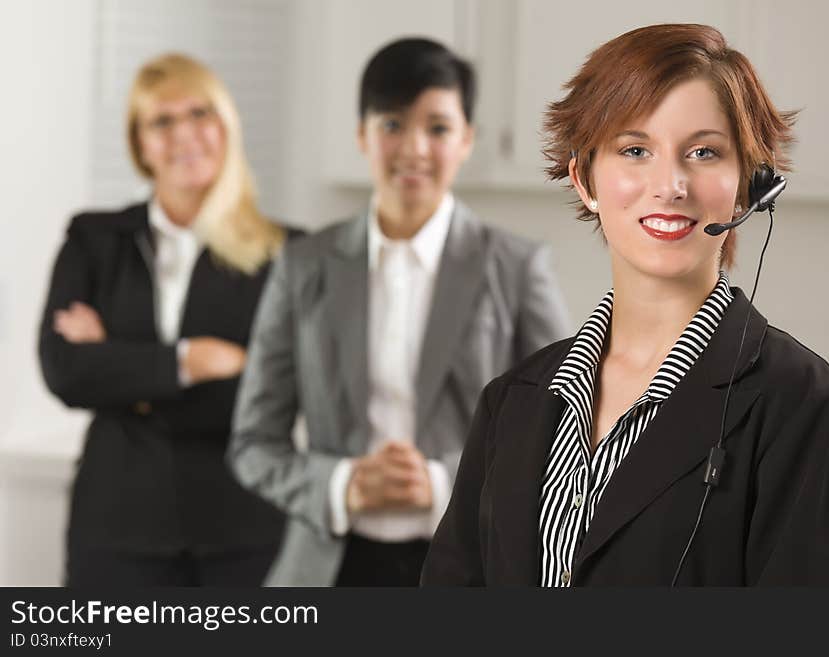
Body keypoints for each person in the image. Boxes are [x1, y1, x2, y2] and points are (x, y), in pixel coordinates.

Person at [421, 23, 829, 586]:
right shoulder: (513, 402)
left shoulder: (803, 405)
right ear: (585, 179)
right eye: (635, 150)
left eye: (704, 152)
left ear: (748, 185)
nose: (671, 184)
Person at [228, 37, 570, 586]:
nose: (413, 148)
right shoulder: (302, 267)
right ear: (362, 135)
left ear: (466, 140)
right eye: (392, 124)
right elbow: (253, 444)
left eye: (436, 128)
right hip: (326, 570)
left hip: (467, 564)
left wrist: (440, 484)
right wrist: (342, 484)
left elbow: (564, 439)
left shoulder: (516, 267)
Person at [39, 53, 292, 586]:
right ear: (140, 144)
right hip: (115, 529)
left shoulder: (287, 253)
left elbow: (276, 391)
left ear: (226, 127)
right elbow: (65, 370)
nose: (184, 134)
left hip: (241, 530)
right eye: (161, 120)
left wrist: (121, 371)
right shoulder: (94, 240)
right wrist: (194, 360)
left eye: (200, 113)